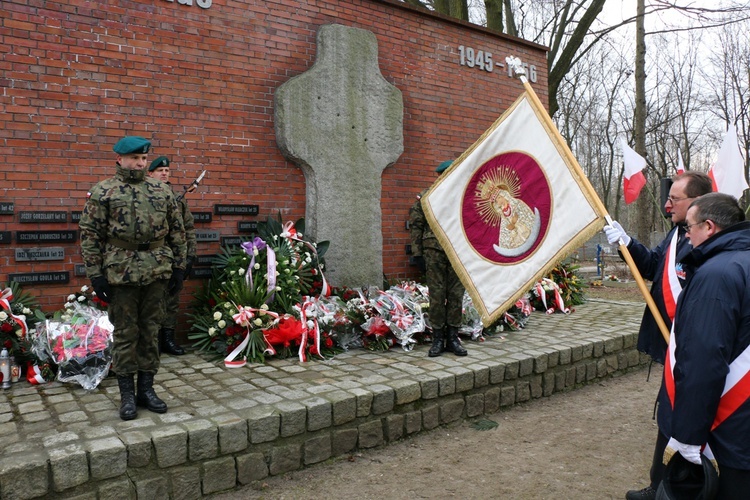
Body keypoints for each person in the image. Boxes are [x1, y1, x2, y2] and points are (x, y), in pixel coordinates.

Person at [603, 171, 713, 500]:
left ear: (696, 202)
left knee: (684, 416)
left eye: (674, 199)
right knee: (668, 413)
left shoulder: (707, 241)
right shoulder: (676, 234)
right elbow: (652, 266)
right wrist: (627, 244)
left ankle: (674, 487)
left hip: (692, 344)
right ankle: (657, 485)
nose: (666, 204)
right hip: (671, 342)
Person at [80, 136, 187, 421]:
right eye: (135, 159)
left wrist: (179, 267)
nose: (140, 163)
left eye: (143, 159)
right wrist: (96, 276)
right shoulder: (104, 192)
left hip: (156, 270)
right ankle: (127, 394)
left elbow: (177, 231)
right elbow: (90, 236)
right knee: (126, 334)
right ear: (120, 159)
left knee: (151, 331)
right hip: (121, 273)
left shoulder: (161, 191)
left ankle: (147, 390)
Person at [660, 192, 750, 498]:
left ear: (709, 227)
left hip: (729, 430)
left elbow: (703, 361)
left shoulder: (716, 275)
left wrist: (686, 439)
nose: (686, 235)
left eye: (689, 227)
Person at [409, 160, 467, 358]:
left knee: (456, 296)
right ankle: (437, 339)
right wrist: (417, 254)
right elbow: (416, 226)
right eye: (446, 174)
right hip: (433, 254)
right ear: (440, 175)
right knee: (437, 297)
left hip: (458, 253)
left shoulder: (464, 199)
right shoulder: (426, 198)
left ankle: (452, 338)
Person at [147, 156, 196, 356]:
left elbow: (188, 228)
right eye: (160, 170)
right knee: (152, 300)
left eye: (167, 170)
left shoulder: (179, 199)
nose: (165, 173)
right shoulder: (144, 196)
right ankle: (154, 341)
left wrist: (189, 256)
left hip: (175, 256)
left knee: (172, 298)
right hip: (152, 257)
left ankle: (168, 338)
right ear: (150, 174)